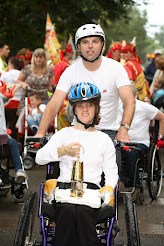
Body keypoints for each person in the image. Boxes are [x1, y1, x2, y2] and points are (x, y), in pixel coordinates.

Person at [35, 82, 118, 246]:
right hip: (65, 192)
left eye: (89, 105)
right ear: (74, 109)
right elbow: (39, 158)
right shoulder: (63, 134)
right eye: (80, 106)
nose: (85, 110)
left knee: (80, 211)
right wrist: (63, 151)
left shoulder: (104, 140)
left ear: (96, 109)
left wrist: (108, 191)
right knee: (69, 210)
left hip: (91, 195)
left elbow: (111, 173)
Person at [35, 24, 135, 146]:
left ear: (102, 45)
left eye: (95, 41)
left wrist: (124, 129)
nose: (90, 46)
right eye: (85, 42)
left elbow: (129, 100)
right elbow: (55, 103)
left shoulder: (116, 68)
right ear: (78, 47)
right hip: (78, 131)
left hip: (109, 133)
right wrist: (40, 132)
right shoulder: (70, 71)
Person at [117, 85, 164, 199]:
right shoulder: (117, 107)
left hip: (139, 143)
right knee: (112, 153)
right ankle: (119, 182)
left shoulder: (144, 107)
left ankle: (134, 185)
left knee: (130, 153)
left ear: (134, 96)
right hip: (121, 142)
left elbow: (162, 117)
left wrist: (160, 137)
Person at [0, 81, 27, 183]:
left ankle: (18, 171)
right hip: (3, 135)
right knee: (12, 143)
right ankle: (19, 170)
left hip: (3, 135)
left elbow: (5, 97)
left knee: (12, 142)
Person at [16, 48, 54, 116]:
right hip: (30, 98)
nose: (38, 59)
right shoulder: (28, 69)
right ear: (33, 58)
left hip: (43, 99)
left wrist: (55, 89)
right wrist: (23, 84)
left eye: (40, 57)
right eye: (36, 57)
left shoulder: (49, 70)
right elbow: (19, 80)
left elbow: (50, 87)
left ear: (44, 58)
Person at [0, 56, 24, 139]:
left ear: (10, 64)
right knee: (18, 125)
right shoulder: (22, 74)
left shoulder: (5, 75)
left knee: (7, 123)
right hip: (20, 103)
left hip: (8, 103)